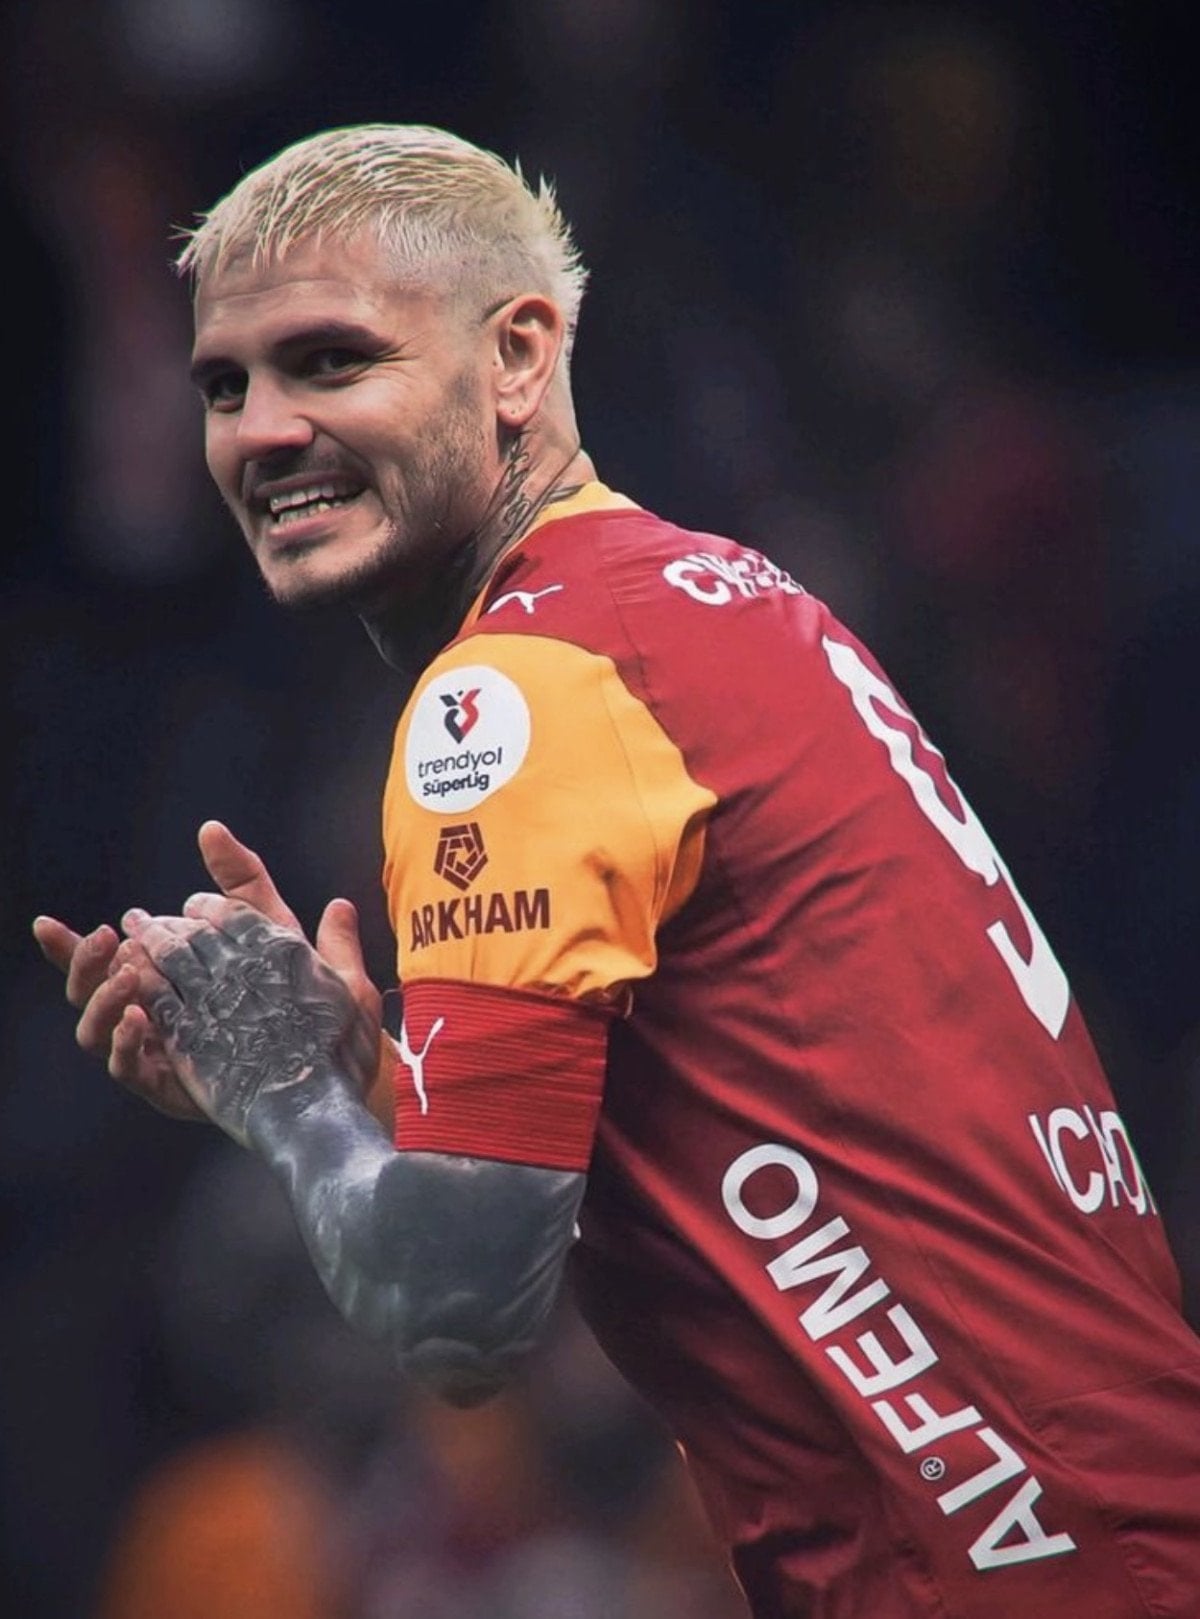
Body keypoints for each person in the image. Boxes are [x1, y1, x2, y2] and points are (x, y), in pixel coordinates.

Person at [34, 125, 1200, 1619]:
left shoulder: (514, 692)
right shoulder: (717, 602)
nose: (261, 431)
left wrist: (280, 1092)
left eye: (330, 362)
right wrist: (364, 1071)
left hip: (1013, 1567)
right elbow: (728, 1109)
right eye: (223, 385)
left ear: (519, 356)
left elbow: (460, 1310)